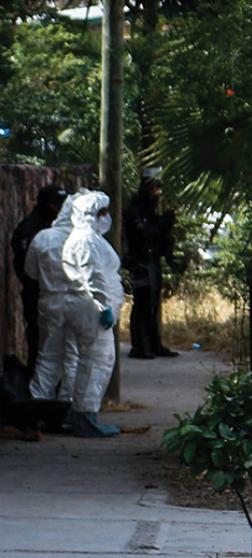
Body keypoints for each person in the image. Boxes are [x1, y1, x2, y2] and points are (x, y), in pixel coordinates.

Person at [60, 191, 125, 438]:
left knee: (89, 360)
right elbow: (94, 276)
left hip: (84, 306)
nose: (107, 217)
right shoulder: (86, 239)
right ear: (92, 214)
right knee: (97, 361)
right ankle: (84, 417)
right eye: (103, 212)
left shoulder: (86, 237)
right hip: (91, 309)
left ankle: (79, 414)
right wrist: (104, 306)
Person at [25, 193, 81, 404]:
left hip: (50, 302)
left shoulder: (43, 237)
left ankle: (39, 404)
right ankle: (68, 406)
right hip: (79, 303)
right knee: (73, 356)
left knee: (48, 356)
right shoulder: (87, 239)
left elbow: (31, 272)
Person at [10, 184, 69, 372]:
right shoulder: (29, 229)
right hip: (38, 294)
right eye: (57, 205)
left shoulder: (59, 227)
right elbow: (26, 269)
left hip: (59, 294)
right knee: (40, 344)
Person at [124, 176, 178, 359]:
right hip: (141, 262)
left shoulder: (151, 212)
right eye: (154, 189)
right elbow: (144, 234)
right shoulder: (136, 212)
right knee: (142, 304)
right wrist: (164, 223)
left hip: (152, 261)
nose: (157, 194)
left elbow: (161, 237)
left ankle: (154, 345)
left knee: (153, 304)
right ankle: (139, 346)